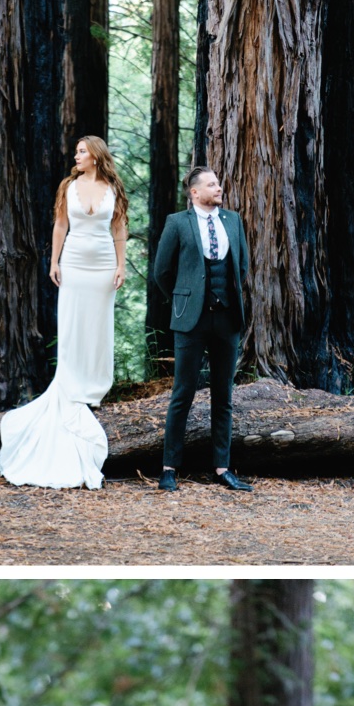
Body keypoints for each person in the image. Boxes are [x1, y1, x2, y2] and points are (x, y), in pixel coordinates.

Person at [0, 138, 129, 490]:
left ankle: (94, 384)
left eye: (82, 151)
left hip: (103, 265)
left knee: (98, 325)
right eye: (76, 151)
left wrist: (121, 266)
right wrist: (54, 261)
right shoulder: (68, 186)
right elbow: (60, 226)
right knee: (71, 323)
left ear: (97, 156)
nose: (76, 156)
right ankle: (71, 381)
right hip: (73, 262)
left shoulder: (113, 187)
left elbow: (119, 229)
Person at [150, 165, 253, 493]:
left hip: (227, 320)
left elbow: (243, 265)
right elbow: (162, 271)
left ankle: (222, 468)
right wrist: (183, 299)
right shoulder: (177, 223)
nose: (218, 188)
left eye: (218, 183)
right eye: (211, 184)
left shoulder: (232, 221)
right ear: (195, 192)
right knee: (183, 393)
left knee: (224, 396)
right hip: (190, 320)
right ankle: (169, 468)